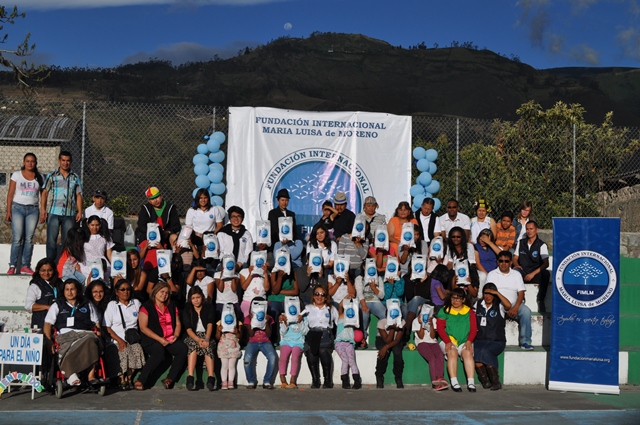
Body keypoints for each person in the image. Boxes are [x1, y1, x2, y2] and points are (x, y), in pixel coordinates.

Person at [43, 279, 101, 387]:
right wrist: (49, 340)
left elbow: (96, 323)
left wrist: (99, 332)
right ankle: (72, 374)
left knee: (91, 340)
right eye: (67, 290)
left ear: (77, 290)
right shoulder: (57, 305)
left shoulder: (87, 304)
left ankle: (91, 375)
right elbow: (47, 324)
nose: (69, 292)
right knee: (83, 342)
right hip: (66, 336)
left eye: (72, 289)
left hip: (85, 333)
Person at [135, 282, 188, 390]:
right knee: (159, 352)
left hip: (169, 337)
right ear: (155, 292)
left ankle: (170, 378)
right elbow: (143, 328)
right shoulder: (146, 306)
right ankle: (141, 379)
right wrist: (160, 339)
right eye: (162, 292)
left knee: (182, 349)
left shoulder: (172, 306)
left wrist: (176, 335)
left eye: (167, 293)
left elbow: (178, 323)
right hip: (152, 339)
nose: (164, 295)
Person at [486, 251, 534, 350]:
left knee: (526, 311)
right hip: (498, 303)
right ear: (497, 262)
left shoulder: (516, 274)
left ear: (511, 262)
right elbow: (489, 292)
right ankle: (494, 339)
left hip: (514, 304)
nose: (503, 263)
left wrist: (516, 307)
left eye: (506, 261)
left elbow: (521, 293)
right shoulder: (492, 274)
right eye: (501, 261)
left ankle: (525, 341)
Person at [103, 279, 146, 390]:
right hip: (116, 338)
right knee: (122, 350)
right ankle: (121, 378)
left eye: (128, 289)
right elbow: (106, 327)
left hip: (132, 338)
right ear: (117, 292)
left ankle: (129, 377)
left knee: (137, 349)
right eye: (122, 289)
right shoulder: (112, 305)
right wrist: (120, 340)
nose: (125, 292)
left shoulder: (135, 303)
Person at [41, 151, 83, 261]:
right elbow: (45, 192)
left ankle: (63, 264)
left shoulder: (75, 177)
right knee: (51, 241)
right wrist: (43, 210)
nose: (65, 163)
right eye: (63, 160)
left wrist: (79, 211)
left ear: (71, 162)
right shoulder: (52, 175)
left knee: (67, 241)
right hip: (54, 212)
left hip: (69, 213)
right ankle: (50, 264)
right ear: (59, 161)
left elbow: (78, 195)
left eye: (68, 160)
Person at [6, 152, 43, 274]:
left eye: (32, 161)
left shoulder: (40, 177)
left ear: (35, 163)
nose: (30, 163)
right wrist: (8, 211)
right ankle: (12, 265)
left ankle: (25, 265)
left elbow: (43, 195)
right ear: (23, 162)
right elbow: (10, 193)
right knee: (17, 237)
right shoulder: (16, 175)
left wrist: (43, 210)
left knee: (29, 238)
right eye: (27, 161)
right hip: (18, 208)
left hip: (33, 210)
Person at [135, 187, 181, 282]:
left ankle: (174, 262)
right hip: (150, 236)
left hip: (166, 236)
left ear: (161, 196)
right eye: (152, 199)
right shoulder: (145, 208)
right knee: (143, 237)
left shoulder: (170, 207)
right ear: (149, 201)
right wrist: (155, 232)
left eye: (157, 197)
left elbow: (176, 226)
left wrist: (167, 232)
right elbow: (141, 225)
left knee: (174, 237)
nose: (155, 200)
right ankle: (146, 264)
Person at [436, 287, 477, 392]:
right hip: (448, 340)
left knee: (468, 352)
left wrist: (469, 341)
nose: (455, 301)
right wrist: (448, 342)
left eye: (458, 298)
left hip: (465, 339)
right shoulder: (444, 310)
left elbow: (473, 329)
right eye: (453, 298)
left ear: (463, 299)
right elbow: (440, 328)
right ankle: (454, 382)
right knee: (452, 352)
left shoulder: (469, 312)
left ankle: (471, 382)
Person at [474, 282, 512, 391]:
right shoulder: (478, 305)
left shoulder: (499, 305)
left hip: (496, 341)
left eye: (491, 293)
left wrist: (497, 293)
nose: (488, 296)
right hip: (480, 339)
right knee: (476, 354)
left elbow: (508, 306)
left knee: (486, 352)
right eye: (486, 293)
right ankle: (485, 381)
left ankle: (495, 381)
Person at [182, 286, 216, 391]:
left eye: (198, 297)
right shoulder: (187, 309)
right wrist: (198, 339)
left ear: (202, 297)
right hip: (193, 335)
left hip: (206, 335)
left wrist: (207, 338)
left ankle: (211, 378)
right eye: (193, 298)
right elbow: (188, 328)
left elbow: (210, 324)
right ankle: (190, 377)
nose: (196, 300)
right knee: (192, 346)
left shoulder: (209, 307)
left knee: (208, 346)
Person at [303, 285, 338, 389]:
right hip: (312, 333)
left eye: (323, 294)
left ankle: (327, 380)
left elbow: (338, 322)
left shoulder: (331, 308)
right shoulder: (307, 308)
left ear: (326, 297)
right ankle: (315, 380)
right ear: (313, 296)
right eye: (317, 294)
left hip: (325, 333)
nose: (320, 297)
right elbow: (302, 322)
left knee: (323, 351)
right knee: (310, 353)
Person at [513, 220, 550, 313]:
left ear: (536, 230)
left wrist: (533, 274)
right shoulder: (521, 243)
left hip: (535, 273)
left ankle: (540, 300)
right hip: (523, 271)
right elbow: (515, 258)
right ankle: (519, 299)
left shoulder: (542, 245)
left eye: (531, 229)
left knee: (545, 274)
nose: (529, 231)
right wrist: (517, 265)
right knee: (515, 272)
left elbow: (546, 263)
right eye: (527, 229)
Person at [243, 297, 278, 389]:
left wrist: (266, 322)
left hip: (265, 341)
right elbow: (250, 334)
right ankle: (251, 381)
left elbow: (269, 334)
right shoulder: (248, 318)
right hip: (252, 341)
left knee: (273, 358)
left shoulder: (269, 318)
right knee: (247, 359)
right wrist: (251, 322)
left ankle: (267, 381)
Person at [412, 305, 448, 391]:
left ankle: (440, 378)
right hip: (422, 343)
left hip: (432, 342)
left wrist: (431, 325)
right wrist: (421, 324)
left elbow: (432, 336)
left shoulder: (433, 320)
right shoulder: (415, 321)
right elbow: (421, 337)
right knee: (431, 358)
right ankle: (435, 382)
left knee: (439, 355)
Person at [25, 258, 62, 331]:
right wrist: (48, 307)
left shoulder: (60, 283)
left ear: (54, 270)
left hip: (59, 322)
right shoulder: (35, 286)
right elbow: (29, 306)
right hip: (41, 323)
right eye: (43, 270)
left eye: (49, 270)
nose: (46, 273)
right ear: (38, 271)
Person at [278, 307, 308, 389]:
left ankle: (293, 379)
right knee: (283, 358)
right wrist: (285, 323)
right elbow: (282, 332)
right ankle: (282, 378)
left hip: (298, 342)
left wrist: (300, 322)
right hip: (286, 340)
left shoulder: (304, 318)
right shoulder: (285, 316)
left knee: (295, 358)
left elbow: (305, 332)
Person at [335, 296, 362, 389]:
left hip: (349, 343)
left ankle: (357, 380)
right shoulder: (341, 316)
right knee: (345, 360)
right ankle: (344, 380)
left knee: (351, 360)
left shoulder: (354, 318)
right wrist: (347, 297)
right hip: (339, 343)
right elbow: (340, 306)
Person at [374, 308, 405, 389]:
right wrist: (392, 328)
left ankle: (398, 377)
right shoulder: (381, 322)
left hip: (396, 341)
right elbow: (387, 340)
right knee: (383, 352)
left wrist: (386, 347)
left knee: (397, 352)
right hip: (382, 339)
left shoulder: (402, 322)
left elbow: (397, 339)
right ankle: (379, 375)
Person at [217, 206, 253, 271]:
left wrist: (239, 264)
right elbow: (220, 251)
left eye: (238, 216)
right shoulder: (222, 233)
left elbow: (248, 252)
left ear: (242, 218)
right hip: (225, 265)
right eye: (233, 216)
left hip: (241, 265)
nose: (236, 219)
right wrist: (227, 262)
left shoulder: (246, 234)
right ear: (230, 219)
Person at [354, 273, 385, 349]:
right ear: (364, 267)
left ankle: (379, 335)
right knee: (364, 314)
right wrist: (364, 305)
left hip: (375, 301)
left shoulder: (379, 278)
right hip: (363, 301)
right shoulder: (359, 278)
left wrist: (374, 288)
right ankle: (363, 338)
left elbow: (381, 295)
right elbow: (359, 294)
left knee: (384, 314)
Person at [80, 216, 114, 283]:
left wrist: (113, 264)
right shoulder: (83, 237)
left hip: (102, 263)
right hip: (87, 263)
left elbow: (109, 253)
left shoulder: (105, 237)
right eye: (92, 225)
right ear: (88, 225)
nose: (95, 228)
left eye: (97, 225)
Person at [216, 306, 243, 390]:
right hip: (223, 345)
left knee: (231, 365)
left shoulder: (238, 323)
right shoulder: (220, 322)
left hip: (233, 346)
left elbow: (240, 336)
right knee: (224, 365)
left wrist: (237, 331)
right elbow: (217, 337)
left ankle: (231, 381)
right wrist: (219, 330)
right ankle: (224, 381)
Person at [445, 226, 477, 297]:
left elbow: (471, 262)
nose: (455, 239)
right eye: (453, 237)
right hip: (454, 270)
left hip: (467, 269)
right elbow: (450, 262)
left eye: (458, 237)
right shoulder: (449, 247)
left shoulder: (469, 246)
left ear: (462, 237)